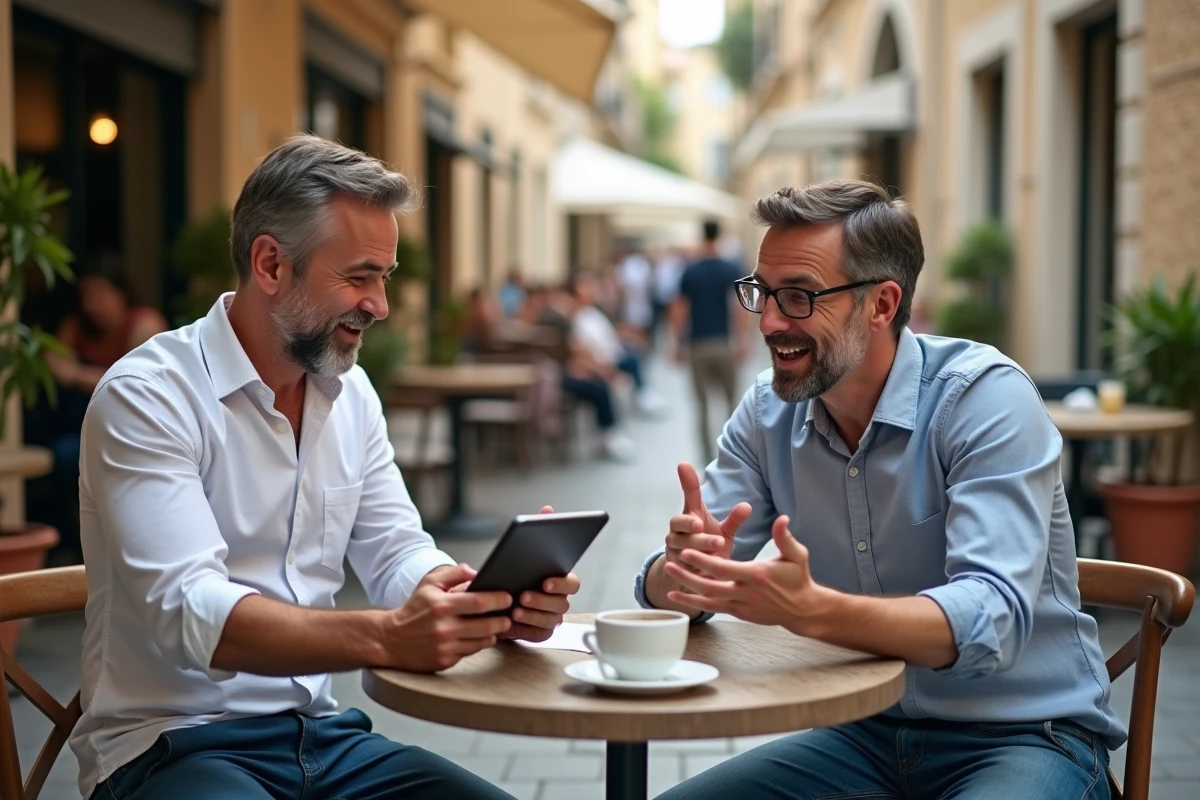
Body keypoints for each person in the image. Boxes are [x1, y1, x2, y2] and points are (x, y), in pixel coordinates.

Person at [72, 135, 579, 800]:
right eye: (358, 276)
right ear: (271, 264)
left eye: (384, 278)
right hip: (171, 748)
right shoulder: (147, 396)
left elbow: (396, 550)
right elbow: (195, 614)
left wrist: (468, 599)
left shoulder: (351, 393)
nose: (380, 305)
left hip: (321, 740)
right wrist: (388, 635)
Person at [635, 180, 1121, 800]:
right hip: (859, 737)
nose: (771, 321)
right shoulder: (767, 412)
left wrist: (811, 609)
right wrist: (678, 570)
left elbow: (989, 621)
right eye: (762, 292)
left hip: (1023, 735)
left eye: (800, 296)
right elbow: (680, 589)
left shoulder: (982, 399)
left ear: (883, 304)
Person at [37, 254, 167, 562]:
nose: (90, 304)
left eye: (99, 294)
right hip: (79, 422)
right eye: (85, 295)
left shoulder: (144, 324)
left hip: (131, 424)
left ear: (121, 294)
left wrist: (76, 375)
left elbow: (134, 385)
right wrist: (86, 378)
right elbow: (53, 362)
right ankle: (78, 544)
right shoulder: (76, 325)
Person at [673, 220, 747, 464]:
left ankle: (707, 460)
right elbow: (738, 307)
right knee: (732, 404)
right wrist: (742, 339)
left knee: (702, 406)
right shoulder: (729, 268)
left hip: (698, 344)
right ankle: (732, 456)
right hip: (723, 342)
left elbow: (680, 309)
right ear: (719, 236)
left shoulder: (690, 270)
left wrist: (678, 342)